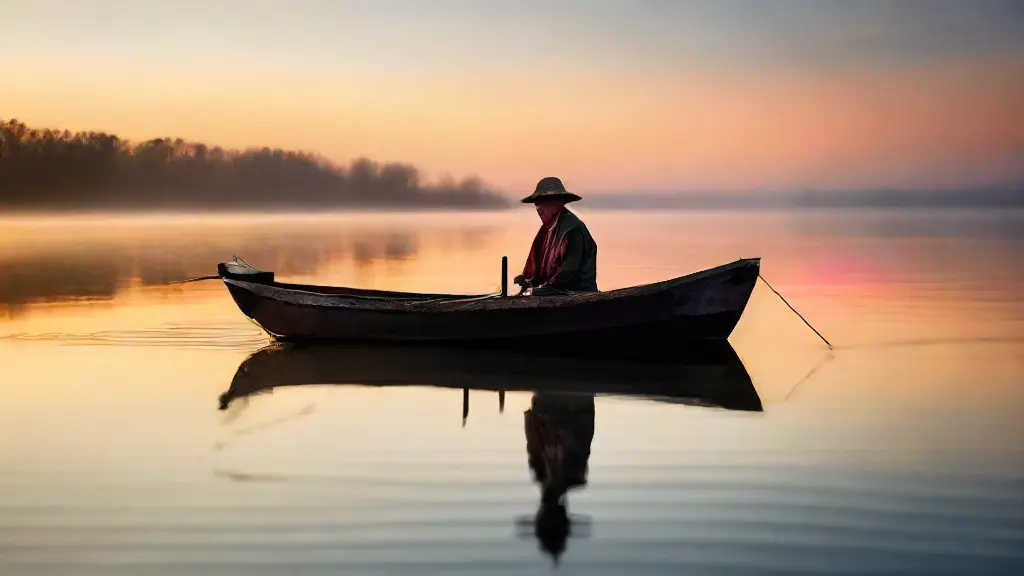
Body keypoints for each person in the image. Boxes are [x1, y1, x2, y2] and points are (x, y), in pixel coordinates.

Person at [514, 177, 597, 296]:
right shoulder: (544, 232)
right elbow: (536, 272)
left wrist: (539, 291)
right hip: (552, 294)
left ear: (559, 202)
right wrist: (528, 282)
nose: (538, 207)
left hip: (577, 295)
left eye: (544, 201)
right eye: (537, 202)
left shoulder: (574, 230)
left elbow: (567, 273)